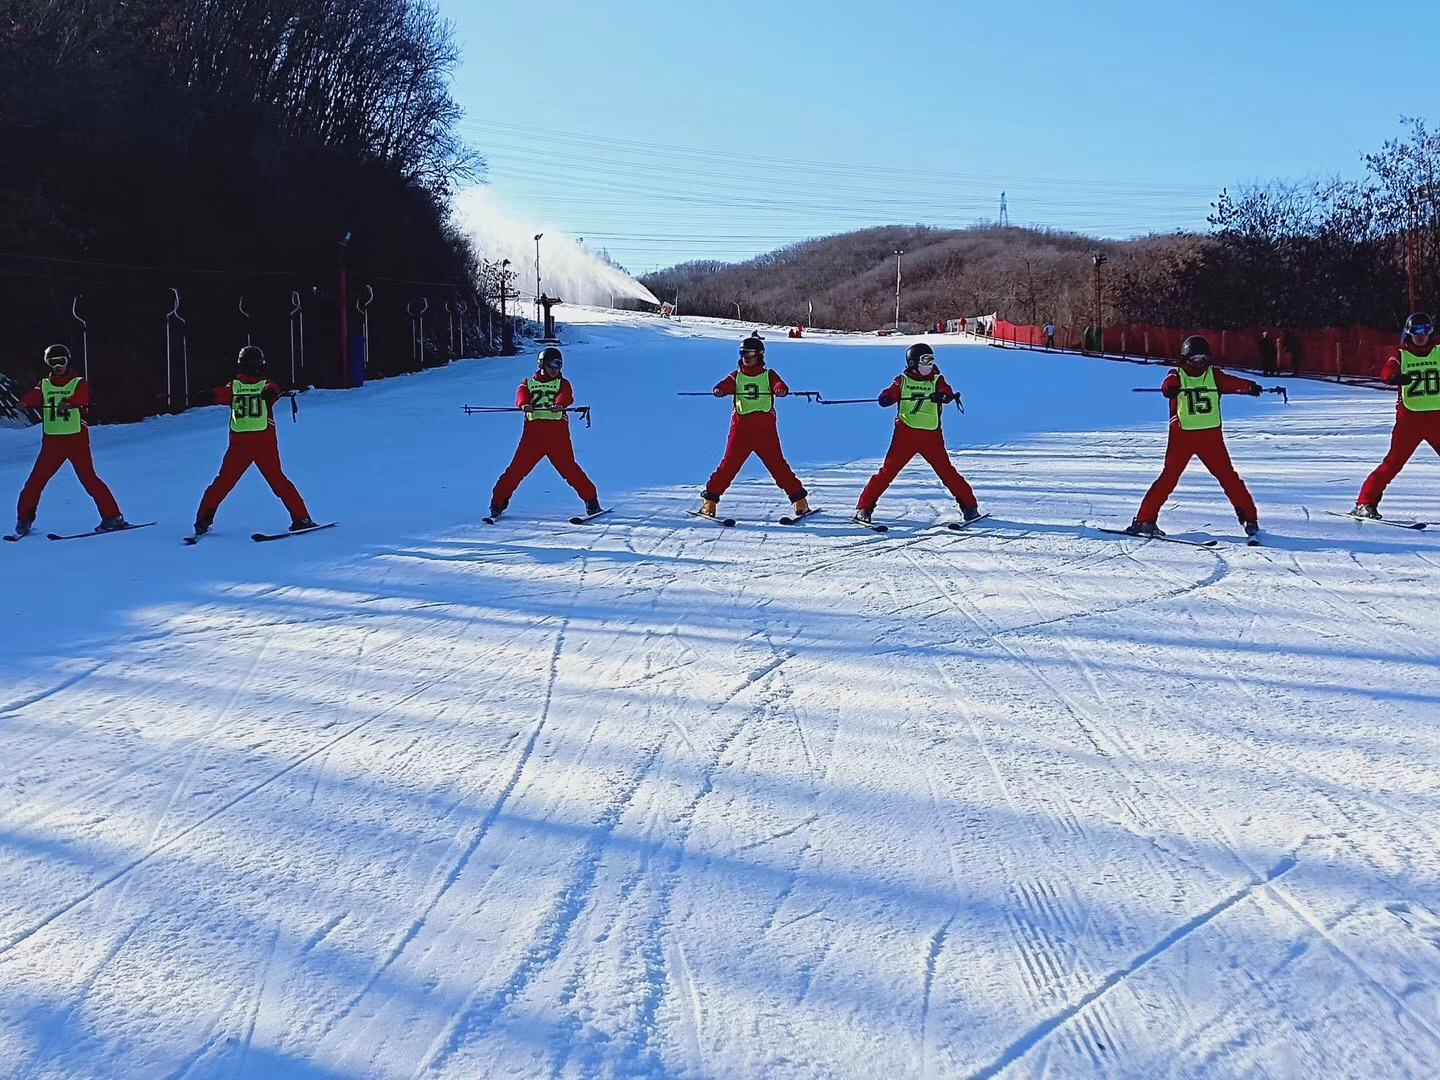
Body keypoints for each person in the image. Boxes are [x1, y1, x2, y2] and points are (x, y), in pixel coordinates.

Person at [1128, 335, 1262, 538]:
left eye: (1203, 359)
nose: (1199, 364)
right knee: (1169, 478)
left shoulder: (1214, 376)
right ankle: (1145, 519)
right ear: (1185, 359)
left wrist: (1249, 386)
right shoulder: (1177, 374)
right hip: (1183, 437)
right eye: (1194, 360)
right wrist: (1170, 388)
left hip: (1211, 438)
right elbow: (1168, 385)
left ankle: (1249, 518)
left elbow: (1233, 383)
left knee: (1228, 477)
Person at [193, 345, 316, 536]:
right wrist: (210, 395)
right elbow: (268, 390)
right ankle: (302, 517)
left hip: (249, 445)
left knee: (224, 483)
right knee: (276, 482)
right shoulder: (245, 386)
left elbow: (270, 390)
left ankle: (202, 520)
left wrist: (210, 395)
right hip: (256, 444)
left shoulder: (242, 386)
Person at [855, 343, 980, 523]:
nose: (930, 364)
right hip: (905, 435)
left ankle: (970, 507)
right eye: (925, 360)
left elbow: (948, 393)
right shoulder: (903, 380)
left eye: (932, 359)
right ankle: (864, 508)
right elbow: (889, 394)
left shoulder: (937, 380)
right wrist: (886, 398)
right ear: (913, 363)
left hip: (932, 436)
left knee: (947, 472)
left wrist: (943, 396)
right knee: (887, 472)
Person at [13, 344, 129, 536]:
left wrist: (71, 403)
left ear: (68, 361)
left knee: (88, 479)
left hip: (76, 442)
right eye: (53, 362)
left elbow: (82, 397)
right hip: (52, 444)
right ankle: (23, 520)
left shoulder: (78, 382)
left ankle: (113, 517)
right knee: (35, 481)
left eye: (61, 361)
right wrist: (23, 403)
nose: (58, 366)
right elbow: (33, 396)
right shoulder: (45, 384)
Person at [698, 334, 810, 518]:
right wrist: (720, 390)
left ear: (760, 355)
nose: (746, 358)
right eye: (743, 354)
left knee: (778, 467)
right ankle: (709, 501)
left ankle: (800, 500)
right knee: (728, 467)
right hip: (741, 431)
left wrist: (780, 389)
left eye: (750, 354)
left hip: (765, 432)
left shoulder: (768, 374)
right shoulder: (736, 376)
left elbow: (779, 384)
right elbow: (723, 385)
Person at [489, 346, 601, 518]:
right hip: (533, 437)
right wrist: (524, 404)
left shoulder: (563, 383)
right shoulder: (528, 383)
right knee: (516, 470)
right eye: (551, 365)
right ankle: (497, 503)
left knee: (570, 470)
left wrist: (560, 404)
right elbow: (521, 395)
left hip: (558, 437)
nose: (555, 369)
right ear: (542, 364)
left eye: (558, 365)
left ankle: (591, 501)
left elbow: (567, 396)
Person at [1353, 312, 1440, 519]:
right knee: (1393, 463)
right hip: (1410, 420)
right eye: (1416, 331)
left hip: (1437, 418)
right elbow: (1387, 371)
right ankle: (1365, 502)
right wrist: (1394, 377)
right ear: (1408, 333)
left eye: (1425, 331)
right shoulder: (1401, 354)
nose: (1421, 335)